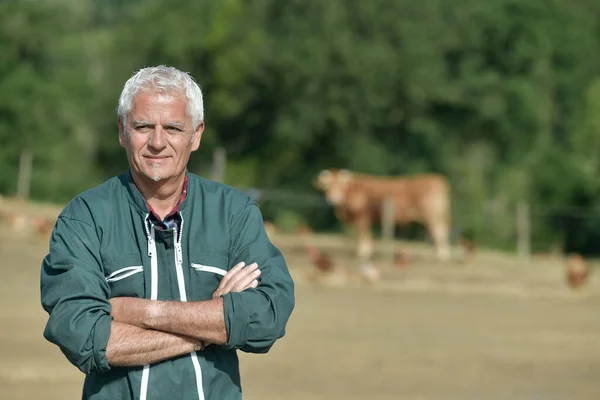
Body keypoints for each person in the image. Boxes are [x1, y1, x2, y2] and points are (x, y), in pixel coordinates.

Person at [40, 65, 295, 400]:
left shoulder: (234, 213)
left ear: (196, 134)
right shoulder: (84, 218)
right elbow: (85, 337)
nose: (157, 142)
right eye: (143, 126)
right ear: (122, 131)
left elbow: (268, 315)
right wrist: (212, 322)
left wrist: (142, 312)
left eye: (173, 128)